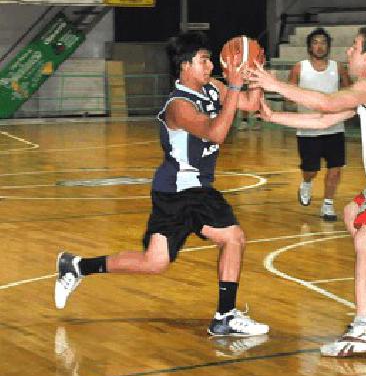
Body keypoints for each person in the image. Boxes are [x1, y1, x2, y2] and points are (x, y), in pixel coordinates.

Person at [54, 32, 270, 337]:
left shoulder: (213, 88)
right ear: (184, 66)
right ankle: (224, 316)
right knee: (233, 238)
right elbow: (217, 133)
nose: (210, 66)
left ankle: (76, 266)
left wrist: (257, 74)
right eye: (203, 60)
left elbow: (249, 104)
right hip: (185, 189)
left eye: (210, 59)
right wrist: (235, 84)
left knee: (153, 262)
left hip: (179, 190)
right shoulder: (178, 106)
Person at [246, 27, 366, 357]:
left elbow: (326, 100)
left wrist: (273, 84)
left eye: (354, 47)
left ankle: (364, 328)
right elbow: (323, 119)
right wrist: (273, 114)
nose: (347, 51)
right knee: (353, 215)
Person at [287, 27, 351, 221]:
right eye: (315, 42)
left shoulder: (338, 67)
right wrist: (294, 101)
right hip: (308, 128)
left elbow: (349, 91)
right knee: (311, 170)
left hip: (334, 127)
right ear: (309, 47)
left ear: (328, 46)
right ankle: (306, 183)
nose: (319, 46)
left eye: (323, 42)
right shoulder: (300, 67)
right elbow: (289, 95)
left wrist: (341, 104)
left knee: (335, 167)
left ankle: (328, 205)